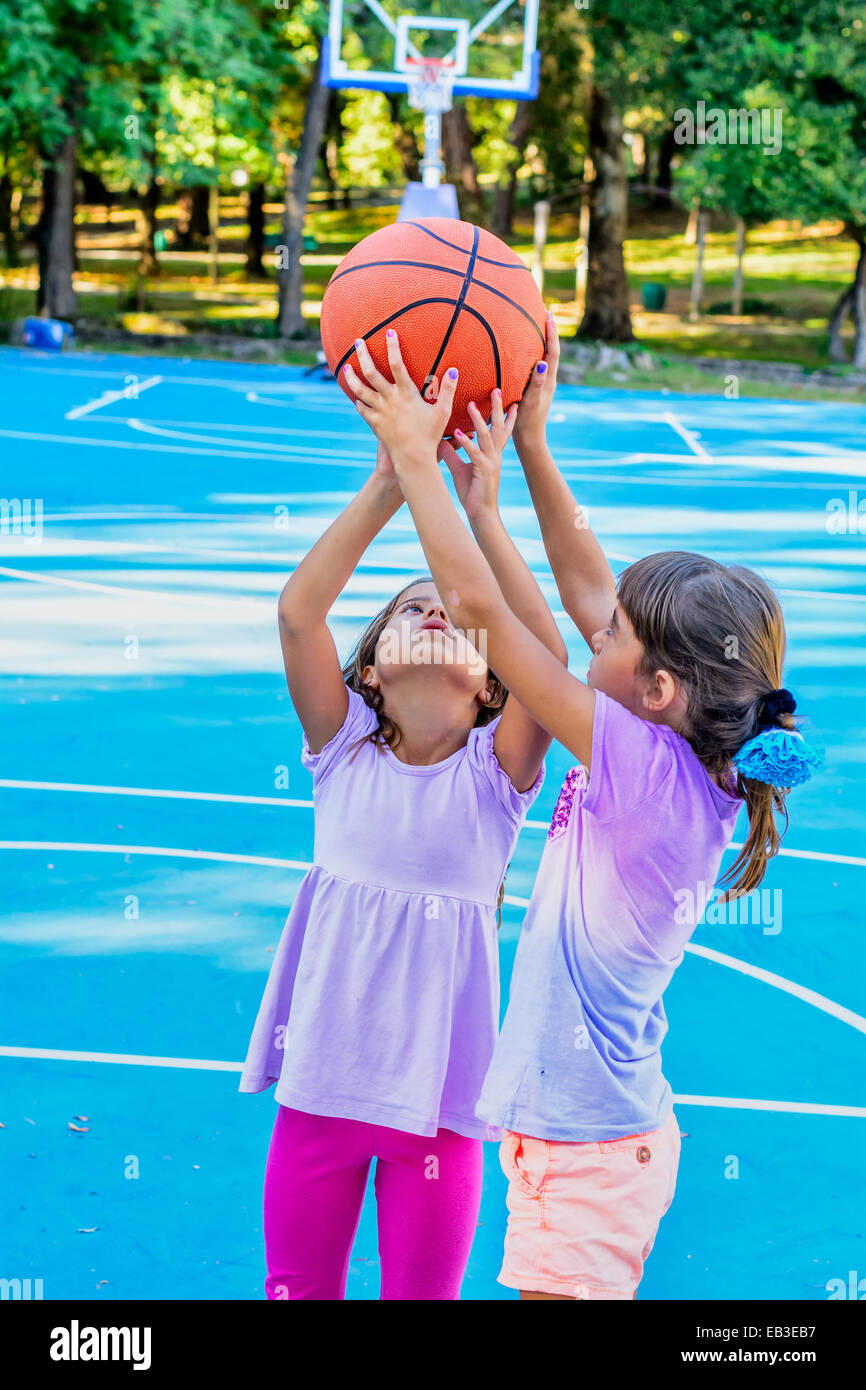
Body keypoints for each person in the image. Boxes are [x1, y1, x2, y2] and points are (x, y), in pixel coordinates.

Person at [345, 319, 822, 1301]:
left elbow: (490, 620)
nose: (589, 622)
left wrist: (415, 466)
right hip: (575, 1126)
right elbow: (576, 579)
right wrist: (521, 454)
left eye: (607, 632)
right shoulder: (682, 746)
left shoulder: (643, 768)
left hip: (592, 1144)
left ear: (652, 687)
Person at [239, 419, 566, 1300]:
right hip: (319, 1088)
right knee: (297, 1290)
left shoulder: (498, 775)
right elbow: (298, 611)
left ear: (493, 682)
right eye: (409, 606)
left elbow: (554, 653)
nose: (433, 607)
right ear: (371, 673)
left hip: (440, 1108)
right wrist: (388, 483)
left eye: (453, 611)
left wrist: (481, 513)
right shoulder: (341, 747)